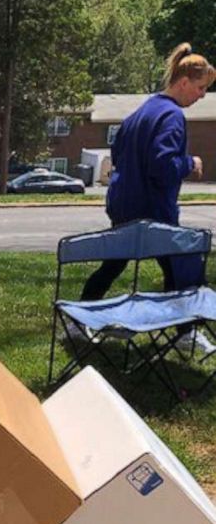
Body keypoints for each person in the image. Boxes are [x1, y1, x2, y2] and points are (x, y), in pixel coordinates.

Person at [80, 44, 215, 357]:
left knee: (114, 263)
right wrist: (188, 162)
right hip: (153, 211)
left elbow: (118, 156)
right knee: (180, 267)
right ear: (183, 83)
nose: (201, 96)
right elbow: (162, 165)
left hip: (124, 205)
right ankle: (185, 332)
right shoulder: (172, 116)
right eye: (200, 88)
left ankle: (79, 318)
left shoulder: (139, 113)